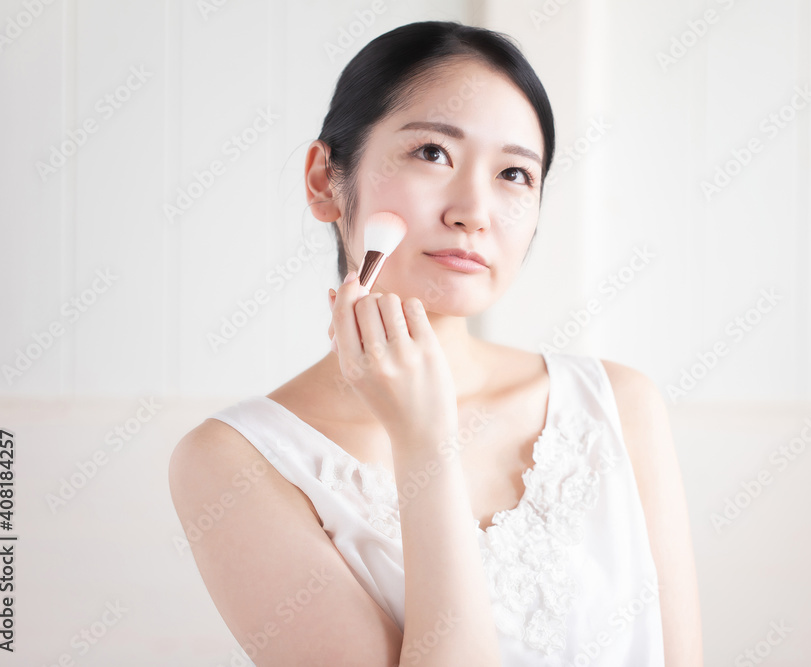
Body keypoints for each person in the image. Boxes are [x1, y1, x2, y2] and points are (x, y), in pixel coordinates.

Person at [168, 20, 704, 667]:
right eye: (431, 152)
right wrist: (423, 442)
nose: (473, 210)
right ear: (324, 180)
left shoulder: (617, 405)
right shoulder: (231, 461)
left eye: (514, 173)